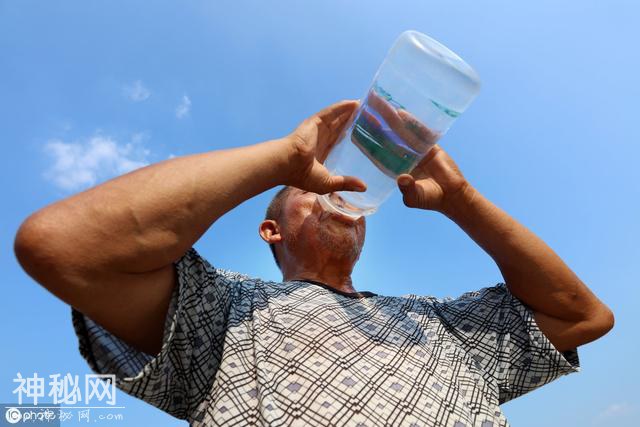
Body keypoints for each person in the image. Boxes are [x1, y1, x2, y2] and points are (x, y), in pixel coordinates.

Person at [14, 100, 614, 426]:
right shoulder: (222, 312)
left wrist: (463, 201)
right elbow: (63, 246)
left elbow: (582, 315)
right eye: (315, 189)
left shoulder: (437, 325)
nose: (342, 191)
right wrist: (285, 159)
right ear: (270, 229)